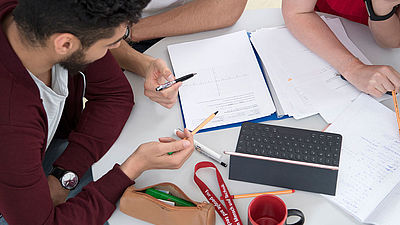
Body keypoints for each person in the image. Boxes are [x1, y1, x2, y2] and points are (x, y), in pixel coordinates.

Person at [0, 0, 194, 225]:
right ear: (65, 45)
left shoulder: (52, 24)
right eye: (109, 44)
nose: (115, 50)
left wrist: (64, 176)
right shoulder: (11, 125)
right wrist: (132, 168)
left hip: (40, 152)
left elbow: (114, 95)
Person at [110, 0, 248, 109]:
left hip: (190, 21)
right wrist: (145, 65)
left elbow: (229, 6)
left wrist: (131, 31)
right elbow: (96, 37)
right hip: (119, 41)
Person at [282, 0, 400, 97]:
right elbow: (297, 12)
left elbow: (392, 41)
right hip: (321, 25)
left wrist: (381, 10)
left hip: (372, 39)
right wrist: (353, 69)